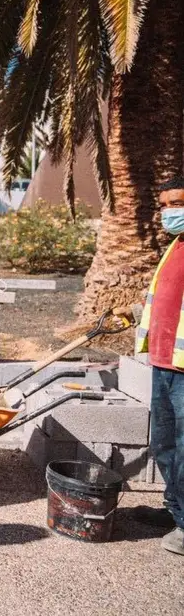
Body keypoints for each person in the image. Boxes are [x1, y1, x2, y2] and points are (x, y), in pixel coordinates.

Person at [133, 176, 184, 556]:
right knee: (165, 442)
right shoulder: (176, 245)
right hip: (165, 361)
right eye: (166, 205)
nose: (170, 212)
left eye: (177, 203)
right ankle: (176, 509)